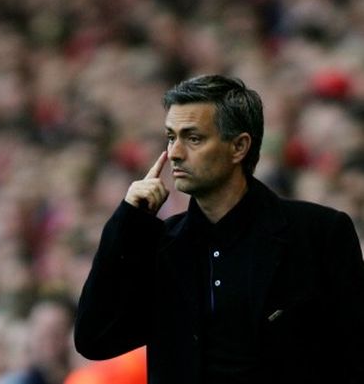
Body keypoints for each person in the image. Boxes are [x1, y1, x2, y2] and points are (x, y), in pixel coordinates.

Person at [74, 74, 364, 384]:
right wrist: (127, 224)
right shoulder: (159, 245)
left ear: (239, 147)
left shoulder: (318, 234)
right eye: (171, 137)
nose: (174, 152)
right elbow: (96, 339)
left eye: (193, 138)